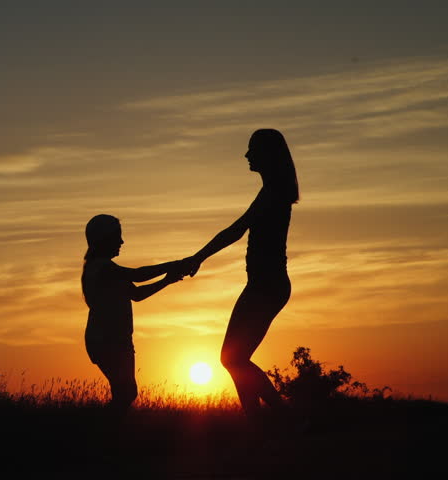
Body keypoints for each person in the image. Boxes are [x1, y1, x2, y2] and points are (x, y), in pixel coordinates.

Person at [182, 129, 299, 421]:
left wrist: (198, 257)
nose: (246, 155)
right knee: (234, 359)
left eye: (252, 149)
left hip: (267, 286)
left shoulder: (273, 192)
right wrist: (197, 257)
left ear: (268, 154)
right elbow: (240, 228)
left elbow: (237, 229)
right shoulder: (272, 190)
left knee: (232, 358)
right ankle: (259, 424)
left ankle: (287, 419)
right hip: (263, 284)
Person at [82, 214, 185, 417]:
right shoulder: (102, 267)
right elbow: (138, 275)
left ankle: (106, 435)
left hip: (112, 340)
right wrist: (175, 264)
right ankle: (96, 431)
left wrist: (167, 280)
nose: (122, 241)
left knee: (124, 394)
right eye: (117, 236)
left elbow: (136, 294)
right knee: (126, 393)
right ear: (104, 238)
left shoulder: (104, 269)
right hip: (108, 340)